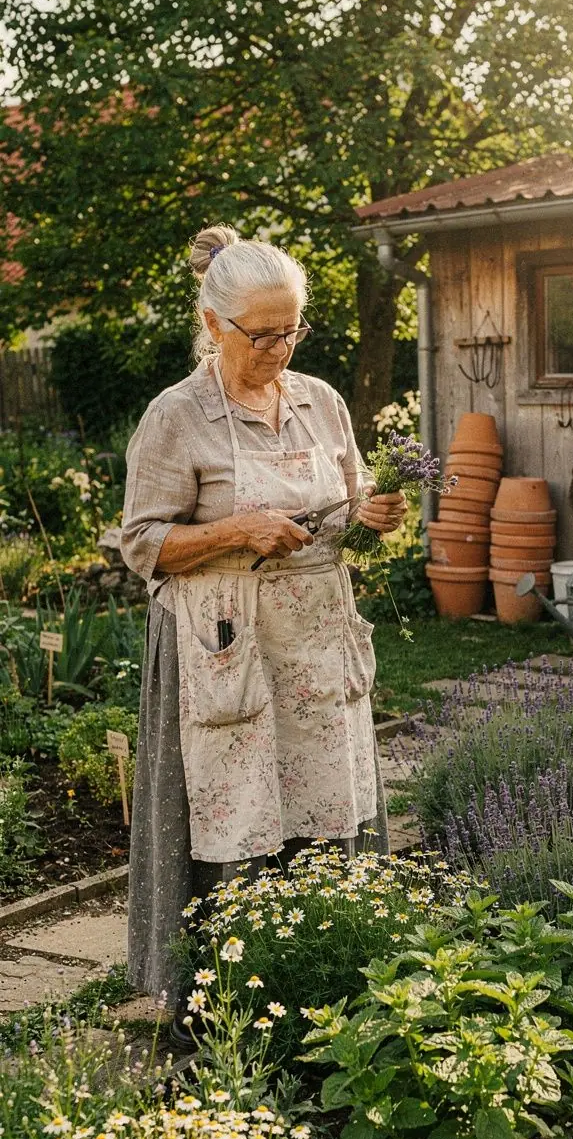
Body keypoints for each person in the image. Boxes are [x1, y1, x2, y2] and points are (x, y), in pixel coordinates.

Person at [121, 223, 407, 1018]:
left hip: (316, 637)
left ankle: (326, 978)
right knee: (239, 807)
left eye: (292, 331)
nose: (280, 348)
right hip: (226, 644)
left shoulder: (322, 402)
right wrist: (234, 531)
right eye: (262, 334)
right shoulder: (177, 417)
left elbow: (345, 506)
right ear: (213, 325)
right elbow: (141, 543)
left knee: (322, 797)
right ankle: (223, 1001)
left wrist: (370, 513)